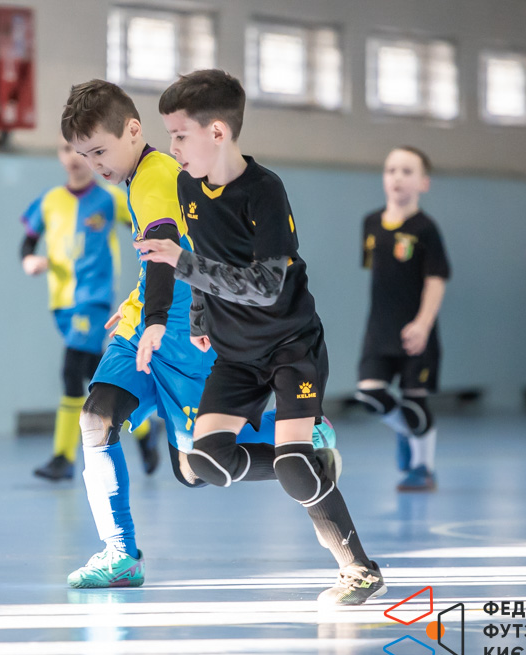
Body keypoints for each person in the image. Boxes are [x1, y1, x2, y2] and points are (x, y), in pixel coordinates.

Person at [59, 79, 339, 591]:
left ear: (133, 130)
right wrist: (138, 302)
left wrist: (155, 317)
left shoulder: (155, 177)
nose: (94, 164)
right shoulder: (147, 176)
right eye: (84, 155)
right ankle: (120, 554)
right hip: (143, 327)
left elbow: (165, 247)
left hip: (179, 334)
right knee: (98, 419)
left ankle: (302, 445)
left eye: (99, 150)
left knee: (194, 467)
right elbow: (162, 254)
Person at [143, 69, 385, 606]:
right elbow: (203, 254)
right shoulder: (187, 186)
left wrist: (181, 263)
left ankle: (360, 570)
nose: (172, 147)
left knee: (293, 463)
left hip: (290, 347)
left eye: (179, 135)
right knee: (204, 462)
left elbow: (266, 286)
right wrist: (200, 318)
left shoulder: (264, 191)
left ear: (217, 132)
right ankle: (308, 462)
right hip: (236, 354)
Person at [20, 135, 160, 481]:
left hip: (93, 299)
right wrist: (29, 260)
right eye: (65, 149)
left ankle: (63, 457)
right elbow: (28, 241)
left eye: (80, 150)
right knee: (94, 373)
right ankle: (144, 430)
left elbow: (144, 226)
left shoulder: (110, 199)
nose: (73, 157)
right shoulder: (50, 201)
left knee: (71, 371)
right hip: (62, 303)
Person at [353, 147, 451, 492]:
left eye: (407, 171)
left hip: (416, 330)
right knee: (370, 393)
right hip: (379, 329)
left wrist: (423, 324)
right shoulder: (370, 223)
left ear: (424, 183)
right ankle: (406, 430)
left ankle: (423, 469)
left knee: (415, 400)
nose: (397, 177)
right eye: (391, 169)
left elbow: (436, 279)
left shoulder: (426, 229)